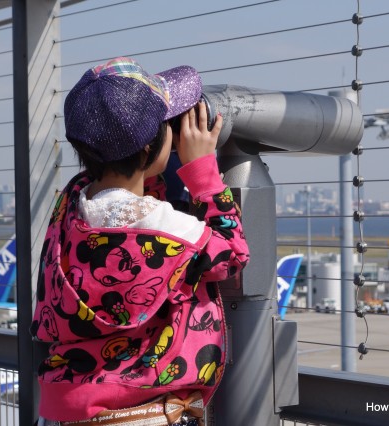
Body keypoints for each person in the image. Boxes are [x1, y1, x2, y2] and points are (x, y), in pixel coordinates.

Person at [31, 57, 249, 425]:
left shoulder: (70, 203)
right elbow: (232, 252)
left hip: (67, 405)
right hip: (141, 413)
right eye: (167, 125)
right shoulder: (167, 228)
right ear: (151, 148)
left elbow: (123, 204)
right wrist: (200, 170)